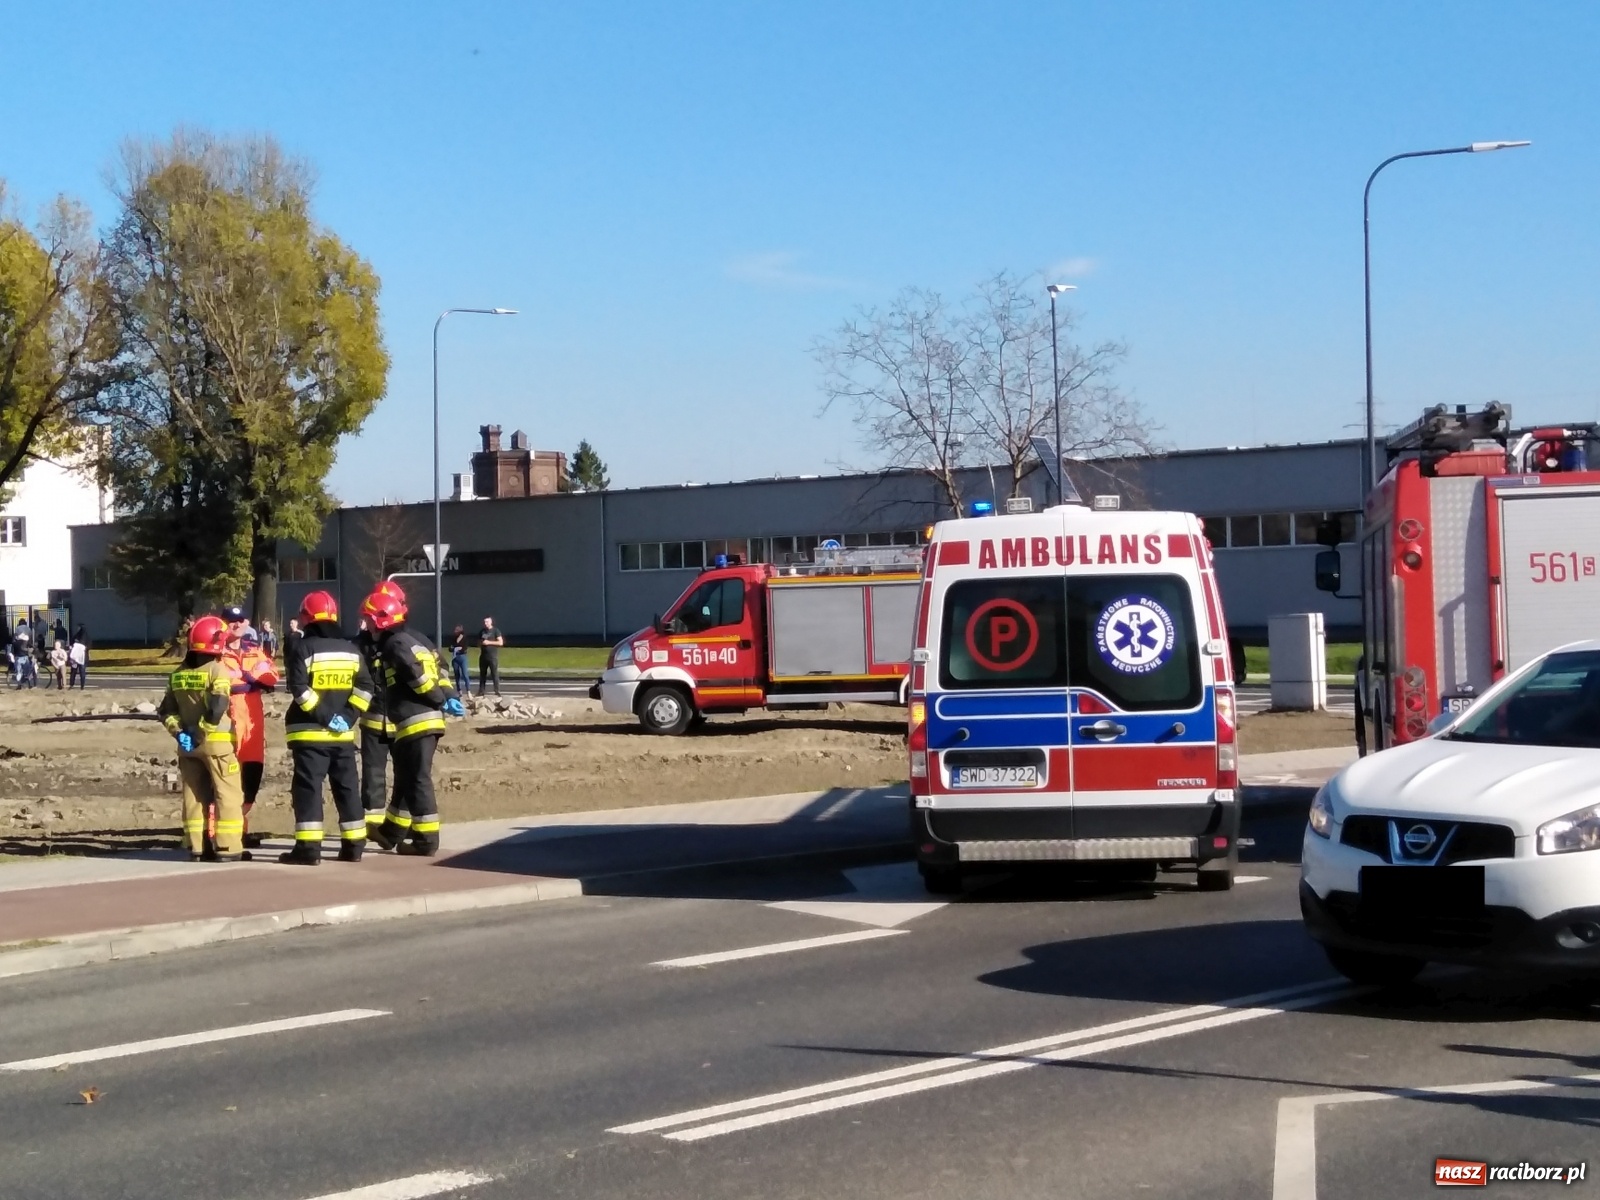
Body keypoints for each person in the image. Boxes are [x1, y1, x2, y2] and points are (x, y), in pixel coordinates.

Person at [362, 585, 463, 856]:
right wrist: (447, 696)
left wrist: (438, 698)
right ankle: (390, 832)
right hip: (418, 720)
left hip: (415, 719)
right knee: (408, 777)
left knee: (417, 779)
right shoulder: (416, 640)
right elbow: (437, 670)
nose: (367, 625)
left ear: (382, 619)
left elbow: (414, 674)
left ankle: (426, 840)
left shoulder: (395, 644)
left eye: (370, 620)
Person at [281, 591, 373, 865]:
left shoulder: (303, 649)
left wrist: (324, 716)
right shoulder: (351, 650)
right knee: (347, 789)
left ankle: (309, 850)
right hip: (342, 736)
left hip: (309, 733)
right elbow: (366, 687)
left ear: (307, 618)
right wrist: (347, 716)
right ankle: (354, 846)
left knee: (308, 789)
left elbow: (299, 689)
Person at [157, 615, 247, 861]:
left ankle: (196, 847)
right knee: (227, 794)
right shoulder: (218, 671)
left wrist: (180, 734)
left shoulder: (176, 674)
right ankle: (228, 847)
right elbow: (218, 706)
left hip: (188, 748)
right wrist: (201, 732)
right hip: (216, 745)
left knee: (193, 796)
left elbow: (165, 711)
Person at [222, 624, 280, 849]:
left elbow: (272, 675)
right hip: (228, 717)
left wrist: (249, 679)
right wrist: (252, 679)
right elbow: (219, 681)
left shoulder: (254, 650)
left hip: (252, 720)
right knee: (225, 777)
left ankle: (239, 827)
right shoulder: (216, 653)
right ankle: (219, 832)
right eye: (230, 621)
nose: (236, 625)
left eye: (240, 620)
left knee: (252, 775)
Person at [355, 582, 406, 838]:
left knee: (405, 773)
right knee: (373, 773)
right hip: (374, 718)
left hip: (402, 720)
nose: (367, 624)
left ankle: (399, 825)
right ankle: (373, 824)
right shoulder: (360, 644)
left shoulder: (406, 641)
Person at [477, 615, 504, 698]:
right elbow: (478, 642)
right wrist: (480, 643)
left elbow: (500, 643)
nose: (485, 623)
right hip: (483, 656)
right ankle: (481, 691)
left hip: (492, 656)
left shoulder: (496, 631)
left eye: (487, 622)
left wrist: (489, 642)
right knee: (482, 674)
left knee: (494, 674)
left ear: (491, 622)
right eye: (484, 622)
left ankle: (497, 691)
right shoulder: (482, 631)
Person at [12, 620, 35, 688]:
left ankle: (19, 685)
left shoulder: (17, 630)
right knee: (27, 671)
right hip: (25, 656)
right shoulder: (28, 630)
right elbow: (30, 641)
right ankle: (29, 684)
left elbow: (14, 641)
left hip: (18, 656)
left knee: (19, 672)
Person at [450, 625, 470, 694]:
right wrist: (456, 648)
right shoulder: (453, 638)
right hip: (455, 657)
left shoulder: (464, 638)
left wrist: (457, 649)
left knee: (465, 674)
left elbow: (464, 648)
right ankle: (459, 690)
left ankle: (468, 690)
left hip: (462, 657)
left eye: (456, 630)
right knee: (457, 674)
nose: (455, 632)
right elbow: (450, 648)